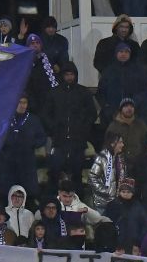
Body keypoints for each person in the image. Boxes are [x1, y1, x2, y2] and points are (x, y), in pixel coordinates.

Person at [41, 63, 96, 194]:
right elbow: (46, 114)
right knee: (54, 171)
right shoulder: (54, 93)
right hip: (59, 140)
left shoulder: (84, 92)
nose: (69, 77)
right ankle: (53, 200)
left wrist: (83, 129)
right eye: (67, 74)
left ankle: (78, 201)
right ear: (62, 76)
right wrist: (54, 128)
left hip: (78, 141)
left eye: (72, 74)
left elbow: (92, 114)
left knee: (77, 172)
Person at [87, 134, 128, 214]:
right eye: (120, 142)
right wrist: (106, 192)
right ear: (112, 144)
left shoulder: (120, 158)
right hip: (103, 203)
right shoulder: (102, 158)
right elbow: (92, 178)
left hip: (117, 201)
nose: (122, 145)